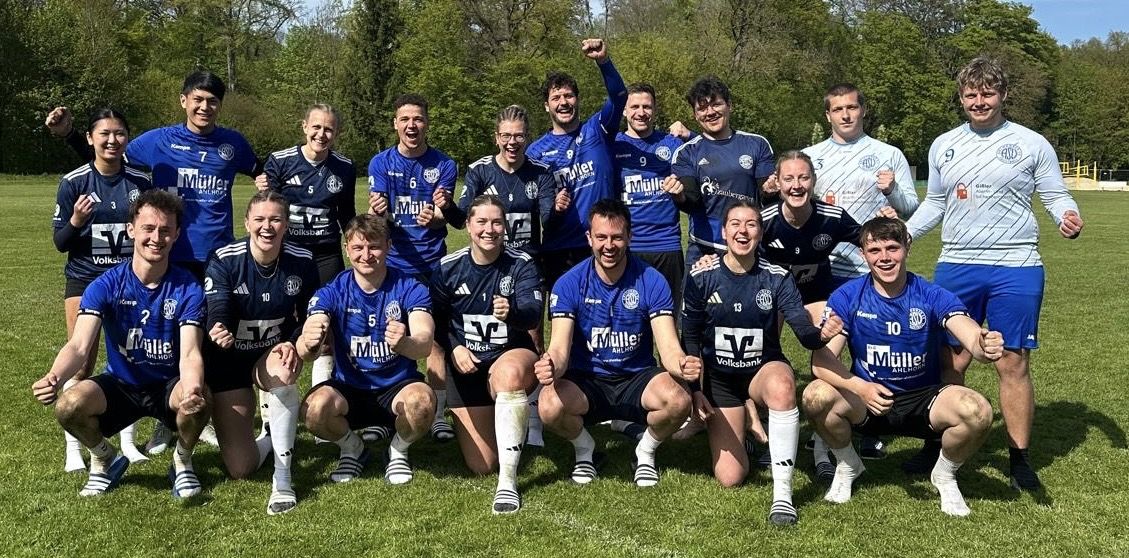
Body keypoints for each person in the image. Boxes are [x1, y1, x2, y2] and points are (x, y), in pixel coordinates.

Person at [905, 57, 1083, 489]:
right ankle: (938, 442)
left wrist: (1068, 214)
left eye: (987, 93)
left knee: (1012, 362)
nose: (979, 101)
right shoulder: (944, 144)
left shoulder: (1031, 143)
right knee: (950, 359)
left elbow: (1055, 193)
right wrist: (904, 233)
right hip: (957, 263)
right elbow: (936, 202)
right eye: (971, 94)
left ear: (1003, 95)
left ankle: (1019, 459)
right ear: (961, 98)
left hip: (1016, 265)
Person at [803, 217, 1002, 517]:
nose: (884, 258)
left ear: (907, 247)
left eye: (892, 248)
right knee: (815, 396)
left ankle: (945, 474)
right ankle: (847, 464)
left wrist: (983, 345)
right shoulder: (847, 296)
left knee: (979, 411)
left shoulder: (930, 294)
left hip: (925, 399)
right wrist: (861, 387)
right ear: (863, 254)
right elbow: (821, 362)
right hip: (869, 398)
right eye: (875, 250)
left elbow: (969, 333)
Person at [32, 190, 210, 499]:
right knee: (68, 406)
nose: (157, 237)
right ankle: (105, 458)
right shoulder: (105, 285)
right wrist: (54, 377)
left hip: (166, 384)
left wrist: (192, 389)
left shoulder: (188, 287)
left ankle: (182, 462)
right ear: (131, 229)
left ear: (177, 234)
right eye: (149, 228)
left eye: (166, 230)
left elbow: (191, 352)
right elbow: (78, 347)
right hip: (121, 383)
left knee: (201, 398)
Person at [681, 201, 842, 525]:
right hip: (721, 381)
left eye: (752, 224)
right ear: (724, 232)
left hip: (761, 370)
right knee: (730, 476)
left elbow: (802, 331)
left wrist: (822, 335)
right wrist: (694, 390)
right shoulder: (702, 276)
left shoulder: (777, 277)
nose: (743, 231)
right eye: (736, 224)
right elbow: (691, 337)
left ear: (760, 231)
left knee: (783, 386)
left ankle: (782, 496)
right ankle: (744, 417)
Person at [535, 199, 700, 487]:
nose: (608, 245)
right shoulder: (569, 282)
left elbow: (669, 346)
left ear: (629, 237)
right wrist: (551, 366)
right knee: (548, 405)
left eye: (616, 237)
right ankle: (585, 449)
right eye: (601, 237)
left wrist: (681, 364)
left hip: (637, 378)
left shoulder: (652, 279)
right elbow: (559, 348)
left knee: (679, 401)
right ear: (589, 238)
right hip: (589, 380)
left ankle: (645, 451)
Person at [801, 83, 920, 463]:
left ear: (863, 110)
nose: (846, 115)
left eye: (852, 107)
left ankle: (867, 427)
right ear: (828, 115)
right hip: (822, 270)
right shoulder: (812, 156)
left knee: (870, 349)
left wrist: (893, 193)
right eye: (838, 109)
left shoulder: (887, 154)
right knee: (827, 346)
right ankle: (825, 425)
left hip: (872, 269)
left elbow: (909, 208)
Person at [46, 71, 261, 279]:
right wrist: (70, 134)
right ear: (183, 100)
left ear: (220, 105)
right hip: (167, 252)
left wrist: (263, 180)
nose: (204, 107)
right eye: (198, 99)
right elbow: (108, 157)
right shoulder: (158, 140)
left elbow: (262, 172)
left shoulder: (234, 143)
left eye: (212, 101)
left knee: (216, 317)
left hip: (219, 255)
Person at [202, 191, 319, 515]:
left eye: (275, 219)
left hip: (267, 355)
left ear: (286, 225)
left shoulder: (302, 260)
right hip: (227, 361)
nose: (267, 227)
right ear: (247, 223)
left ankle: (283, 478)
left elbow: (306, 316)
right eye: (260, 219)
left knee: (283, 372)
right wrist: (219, 327)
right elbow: (218, 306)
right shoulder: (225, 258)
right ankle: (269, 436)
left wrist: (294, 341)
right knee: (241, 468)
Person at [298, 214, 437, 485]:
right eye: (358, 248)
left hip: (396, 386)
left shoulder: (410, 287)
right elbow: (307, 346)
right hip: (350, 387)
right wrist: (310, 338)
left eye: (374, 246)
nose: (366, 255)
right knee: (313, 411)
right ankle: (353, 449)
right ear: (346, 249)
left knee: (422, 403)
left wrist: (405, 342)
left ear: (388, 246)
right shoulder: (333, 290)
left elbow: (425, 342)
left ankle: (397, 451)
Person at [52, 108, 155, 469]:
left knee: (130, 359)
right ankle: (74, 450)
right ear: (90, 138)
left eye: (120, 133)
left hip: (131, 281)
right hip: (85, 281)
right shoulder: (74, 182)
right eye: (104, 134)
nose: (112, 140)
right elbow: (60, 243)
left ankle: (128, 443)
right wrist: (77, 220)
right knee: (81, 362)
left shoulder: (140, 181)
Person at [430, 196, 543, 514]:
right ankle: (501, 421)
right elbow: (434, 321)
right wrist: (454, 347)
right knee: (481, 464)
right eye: (481, 222)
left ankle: (508, 484)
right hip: (467, 367)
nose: (489, 229)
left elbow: (534, 314)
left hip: (509, 357)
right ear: (468, 225)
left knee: (507, 376)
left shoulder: (520, 263)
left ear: (504, 226)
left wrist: (513, 312)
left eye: (496, 222)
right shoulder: (448, 268)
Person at [255, 103, 357, 439]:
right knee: (277, 328)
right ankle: (272, 412)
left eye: (328, 129)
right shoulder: (280, 161)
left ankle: (319, 407)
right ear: (304, 127)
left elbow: (346, 215)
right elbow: (269, 208)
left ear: (336, 133)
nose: (321, 134)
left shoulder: (343, 166)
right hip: (287, 256)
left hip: (326, 256)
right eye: (316, 127)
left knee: (326, 330)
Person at [367, 93, 458, 443]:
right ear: (395, 123)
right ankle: (381, 412)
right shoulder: (379, 163)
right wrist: (380, 212)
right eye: (405, 119)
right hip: (391, 266)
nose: (411, 125)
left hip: (432, 264)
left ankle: (436, 414)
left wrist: (435, 217)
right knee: (387, 338)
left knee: (434, 340)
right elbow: (379, 221)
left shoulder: (444, 164)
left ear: (426, 123)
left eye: (418, 119)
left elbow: (443, 218)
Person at [528, 38, 628, 290]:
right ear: (546, 106)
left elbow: (619, 97)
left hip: (601, 243)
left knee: (606, 318)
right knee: (566, 321)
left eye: (569, 96)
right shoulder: (535, 151)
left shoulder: (598, 129)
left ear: (578, 99)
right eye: (556, 97)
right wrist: (555, 209)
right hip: (559, 248)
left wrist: (603, 61)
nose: (564, 102)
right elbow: (536, 208)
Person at [670, 76, 775, 263]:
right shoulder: (686, 152)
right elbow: (692, 201)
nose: (710, 112)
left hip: (748, 246)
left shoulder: (757, 144)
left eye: (716, 104)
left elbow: (766, 197)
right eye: (702, 108)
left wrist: (771, 190)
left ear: (729, 105)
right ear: (695, 115)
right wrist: (679, 196)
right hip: (705, 250)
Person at [612, 83, 687, 310]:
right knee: (630, 317)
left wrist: (681, 192)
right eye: (634, 106)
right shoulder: (612, 145)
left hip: (668, 245)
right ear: (624, 111)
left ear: (655, 110)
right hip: (629, 245)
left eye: (647, 106)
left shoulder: (673, 144)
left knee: (670, 318)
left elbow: (709, 150)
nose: (641, 112)